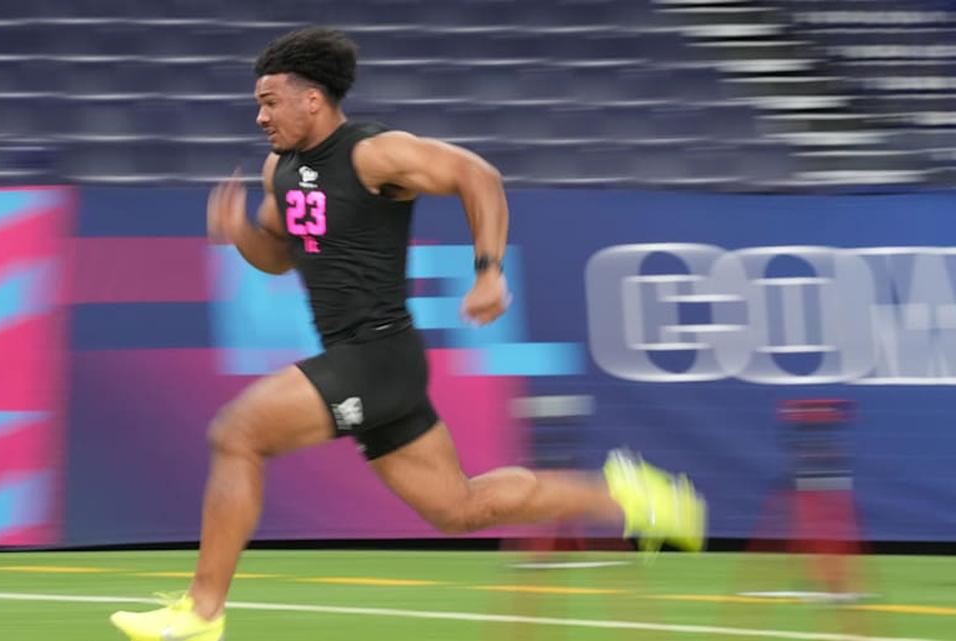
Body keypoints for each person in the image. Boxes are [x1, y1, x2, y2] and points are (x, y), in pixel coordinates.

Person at [111, 26, 705, 641]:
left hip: (378, 355)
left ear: (312, 98)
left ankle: (202, 613)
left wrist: (488, 271)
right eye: (258, 104)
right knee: (459, 507)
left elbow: (480, 177)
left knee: (237, 433)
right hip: (362, 358)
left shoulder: (373, 153)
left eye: (269, 100)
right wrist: (240, 232)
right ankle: (632, 496)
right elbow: (282, 255)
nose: (260, 115)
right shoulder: (280, 169)